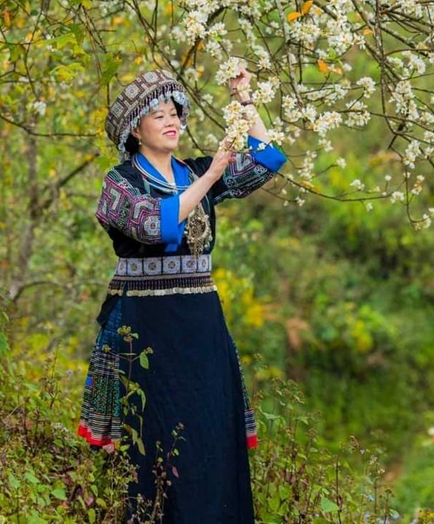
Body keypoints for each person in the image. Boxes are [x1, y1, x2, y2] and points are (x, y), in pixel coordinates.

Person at [78, 66, 287, 524]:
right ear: (136, 129)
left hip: (201, 322)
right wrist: (211, 175)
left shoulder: (191, 171)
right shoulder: (120, 184)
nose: (172, 121)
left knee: (210, 430)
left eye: (176, 113)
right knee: (152, 435)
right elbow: (156, 225)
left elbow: (269, 158)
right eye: (159, 115)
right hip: (145, 328)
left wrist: (244, 98)